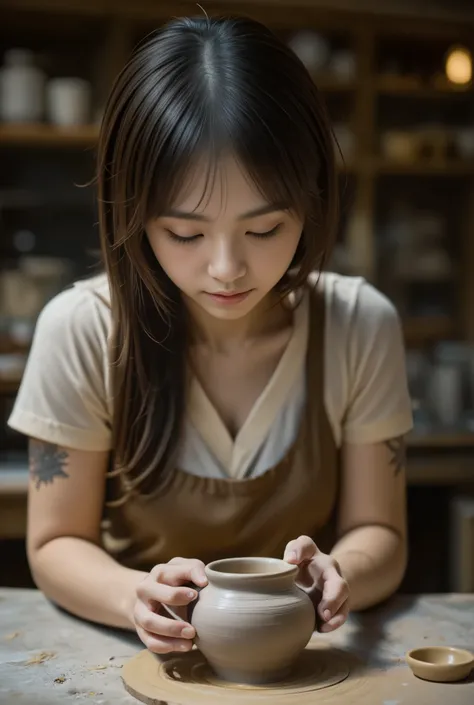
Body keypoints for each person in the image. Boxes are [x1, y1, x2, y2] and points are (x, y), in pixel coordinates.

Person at [8, 15, 413, 656]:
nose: (226, 268)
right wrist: (131, 596)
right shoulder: (82, 330)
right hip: (130, 657)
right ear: (133, 213)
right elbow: (55, 543)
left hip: (300, 658)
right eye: (186, 234)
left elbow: (378, 530)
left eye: (264, 229)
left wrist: (344, 574)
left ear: (310, 203)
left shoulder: (358, 325)